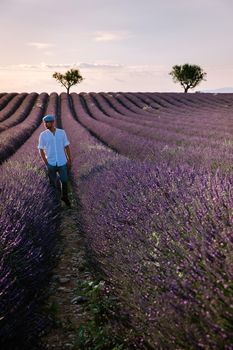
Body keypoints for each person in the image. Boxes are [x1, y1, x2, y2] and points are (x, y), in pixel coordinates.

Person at [38, 114, 72, 207]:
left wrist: (69, 160)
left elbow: (67, 146)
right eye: (44, 123)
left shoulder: (62, 133)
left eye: (47, 122)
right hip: (51, 163)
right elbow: (40, 149)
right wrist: (46, 162)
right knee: (52, 183)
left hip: (62, 161)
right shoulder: (43, 135)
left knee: (64, 181)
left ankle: (64, 197)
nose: (45, 124)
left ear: (52, 122)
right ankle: (56, 202)